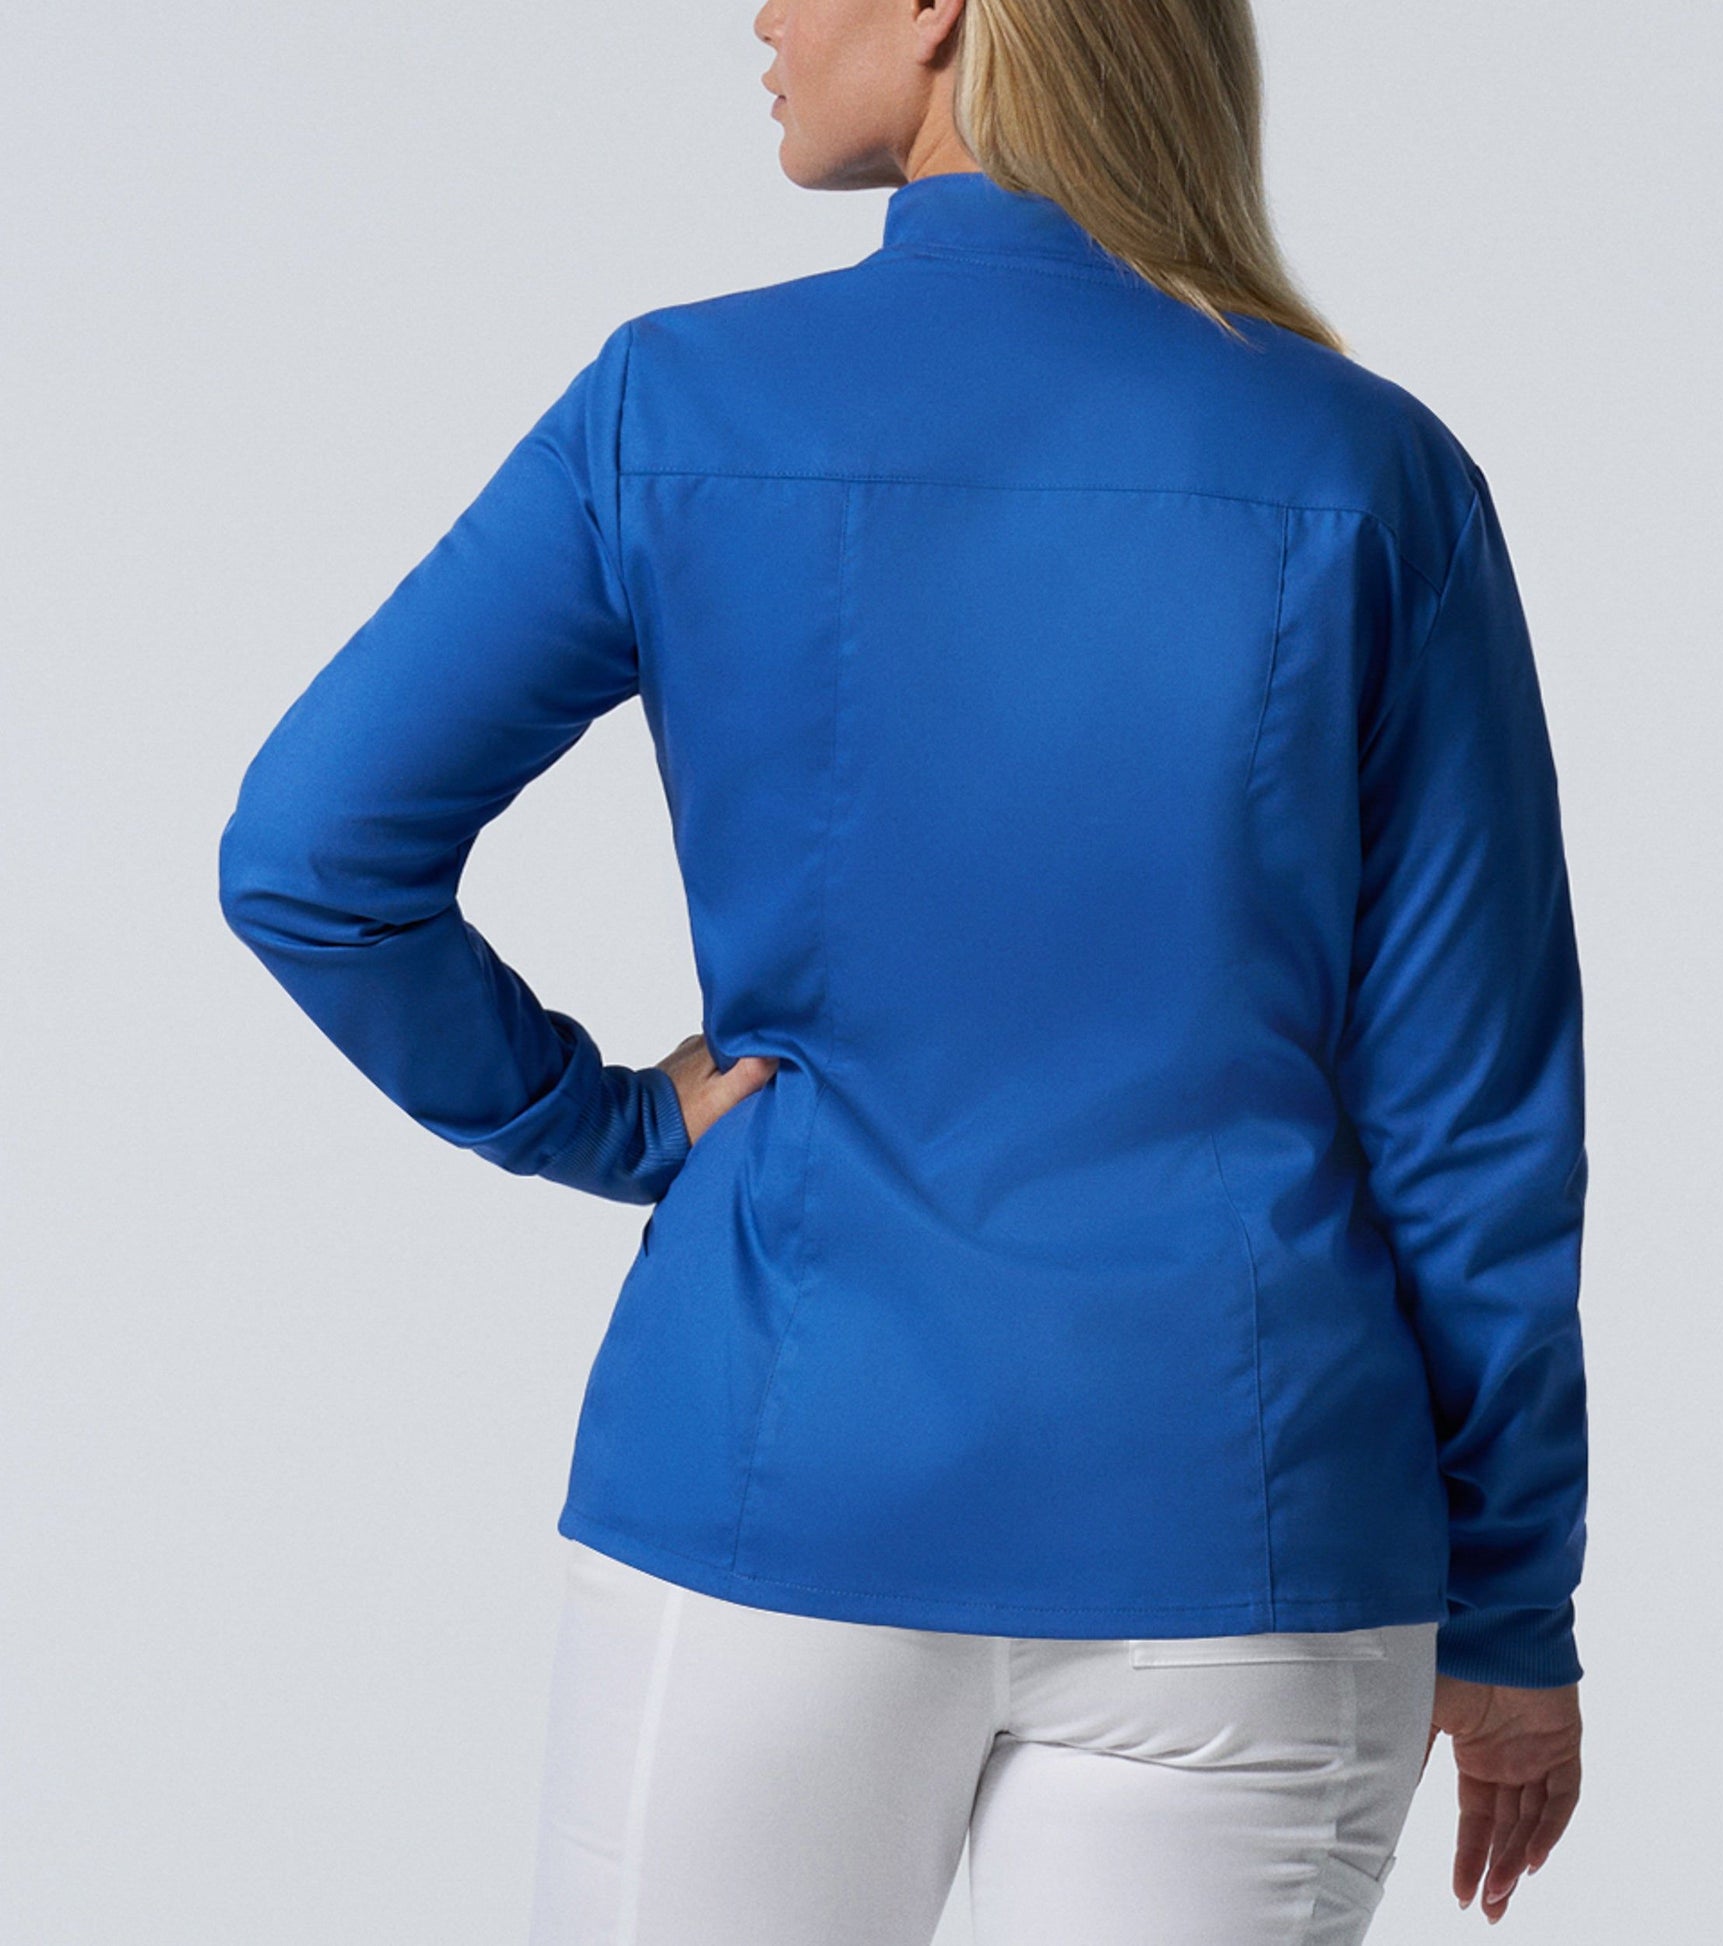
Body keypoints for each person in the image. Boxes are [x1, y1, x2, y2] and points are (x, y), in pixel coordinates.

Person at [215, 0, 1590, 1939]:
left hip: (779, 1481)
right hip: (1247, 1515)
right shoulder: (1369, 468)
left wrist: (607, 1126)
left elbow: (310, 857)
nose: (763, 15)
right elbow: (1474, 1110)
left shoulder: (679, 407)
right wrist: (1510, 1598)